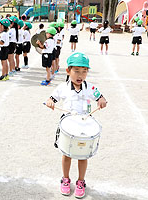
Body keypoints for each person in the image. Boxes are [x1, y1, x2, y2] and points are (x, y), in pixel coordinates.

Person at [45, 52, 107, 199]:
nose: (81, 75)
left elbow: (100, 97)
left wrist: (102, 100)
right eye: (77, 71)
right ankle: (65, 179)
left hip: (84, 125)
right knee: (66, 154)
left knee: (82, 155)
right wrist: (50, 102)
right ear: (68, 71)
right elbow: (51, 98)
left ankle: (81, 181)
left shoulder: (90, 88)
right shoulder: (62, 87)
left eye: (84, 71)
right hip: (68, 125)